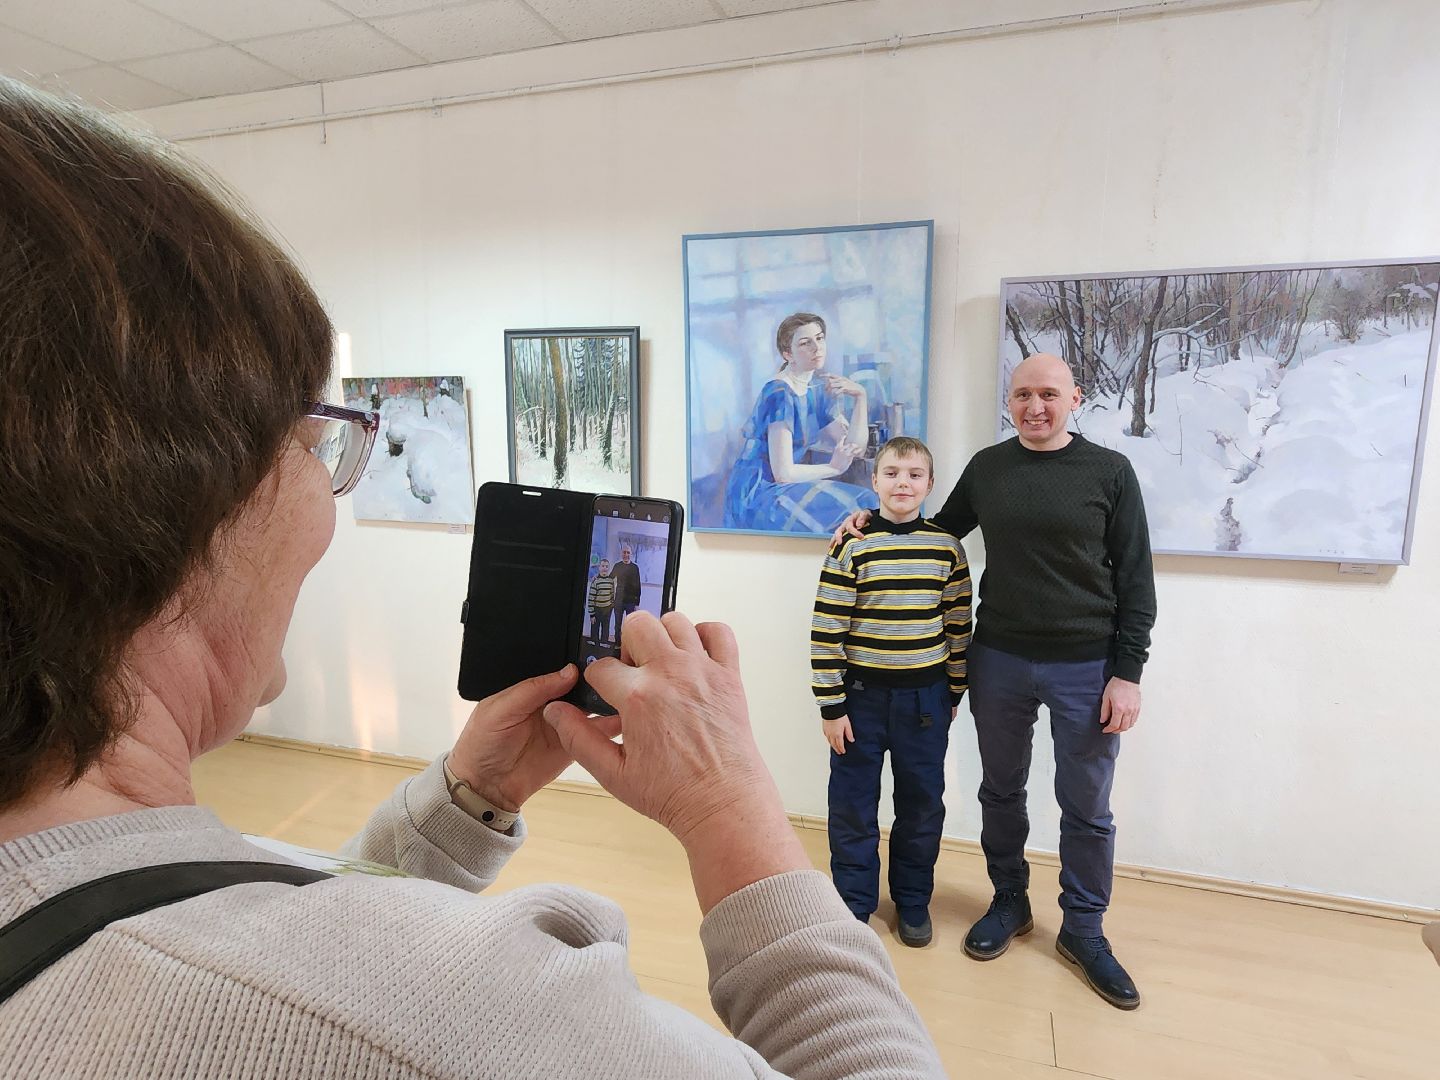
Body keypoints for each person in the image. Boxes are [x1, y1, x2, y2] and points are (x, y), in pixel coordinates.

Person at [0, 79, 945, 1077]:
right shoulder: (475, 1012)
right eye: (314, 439)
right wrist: (733, 809)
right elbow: (341, 994)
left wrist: (470, 800)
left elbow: (281, 928)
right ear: (178, 499)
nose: (328, 494)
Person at [837, 353, 1157, 1011]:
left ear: (1075, 398)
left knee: (1086, 806)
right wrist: (870, 519)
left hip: (1086, 665)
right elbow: (935, 534)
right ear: (1009, 402)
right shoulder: (989, 468)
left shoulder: (1110, 472)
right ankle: (1010, 899)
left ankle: (1084, 929)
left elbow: (1136, 579)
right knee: (1001, 790)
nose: (1035, 407)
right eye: (1022, 395)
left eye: (1049, 394)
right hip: (1000, 659)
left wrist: (1128, 673)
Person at [810, 437, 971, 948]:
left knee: (921, 806)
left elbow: (958, 624)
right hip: (860, 700)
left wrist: (954, 691)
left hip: (926, 700)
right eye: (893, 473)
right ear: (874, 481)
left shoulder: (947, 548)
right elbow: (827, 629)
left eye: (915, 474)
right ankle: (853, 904)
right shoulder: (852, 544)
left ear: (930, 483)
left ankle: (913, 900)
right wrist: (831, 706)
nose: (904, 483)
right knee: (853, 806)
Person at [722, 312, 876, 533]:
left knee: (866, 504)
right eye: (805, 343)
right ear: (788, 354)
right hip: (760, 493)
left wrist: (861, 396)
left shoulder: (817, 390)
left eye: (820, 338)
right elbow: (783, 474)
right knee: (859, 506)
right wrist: (833, 467)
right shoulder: (779, 393)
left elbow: (856, 448)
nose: (817, 347)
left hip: (787, 484)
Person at [611, 543, 642, 644]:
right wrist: (598, 577)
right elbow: (609, 578)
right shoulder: (617, 566)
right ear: (621, 553)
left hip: (631, 602)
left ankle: (628, 645)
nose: (626, 554)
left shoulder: (635, 568)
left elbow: (638, 586)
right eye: (624, 552)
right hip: (619, 601)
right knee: (617, 625)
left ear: (631, 554)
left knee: (629, 626)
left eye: (628, 552)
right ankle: (617, 644)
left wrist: (637, 604)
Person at [587, 557, 617, 643]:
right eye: (603, 566)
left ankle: (604, 642)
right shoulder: (595, 581)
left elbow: (612, 594)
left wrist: (611, 606)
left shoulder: (611, 581)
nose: (605, 568)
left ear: (608, 568)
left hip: (607, 609)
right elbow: (591, 598)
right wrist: (592, 615)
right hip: (597, 609)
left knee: (605, 627)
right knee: (595, 626)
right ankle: (594, 642)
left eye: (607, 566)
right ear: (599, 567)